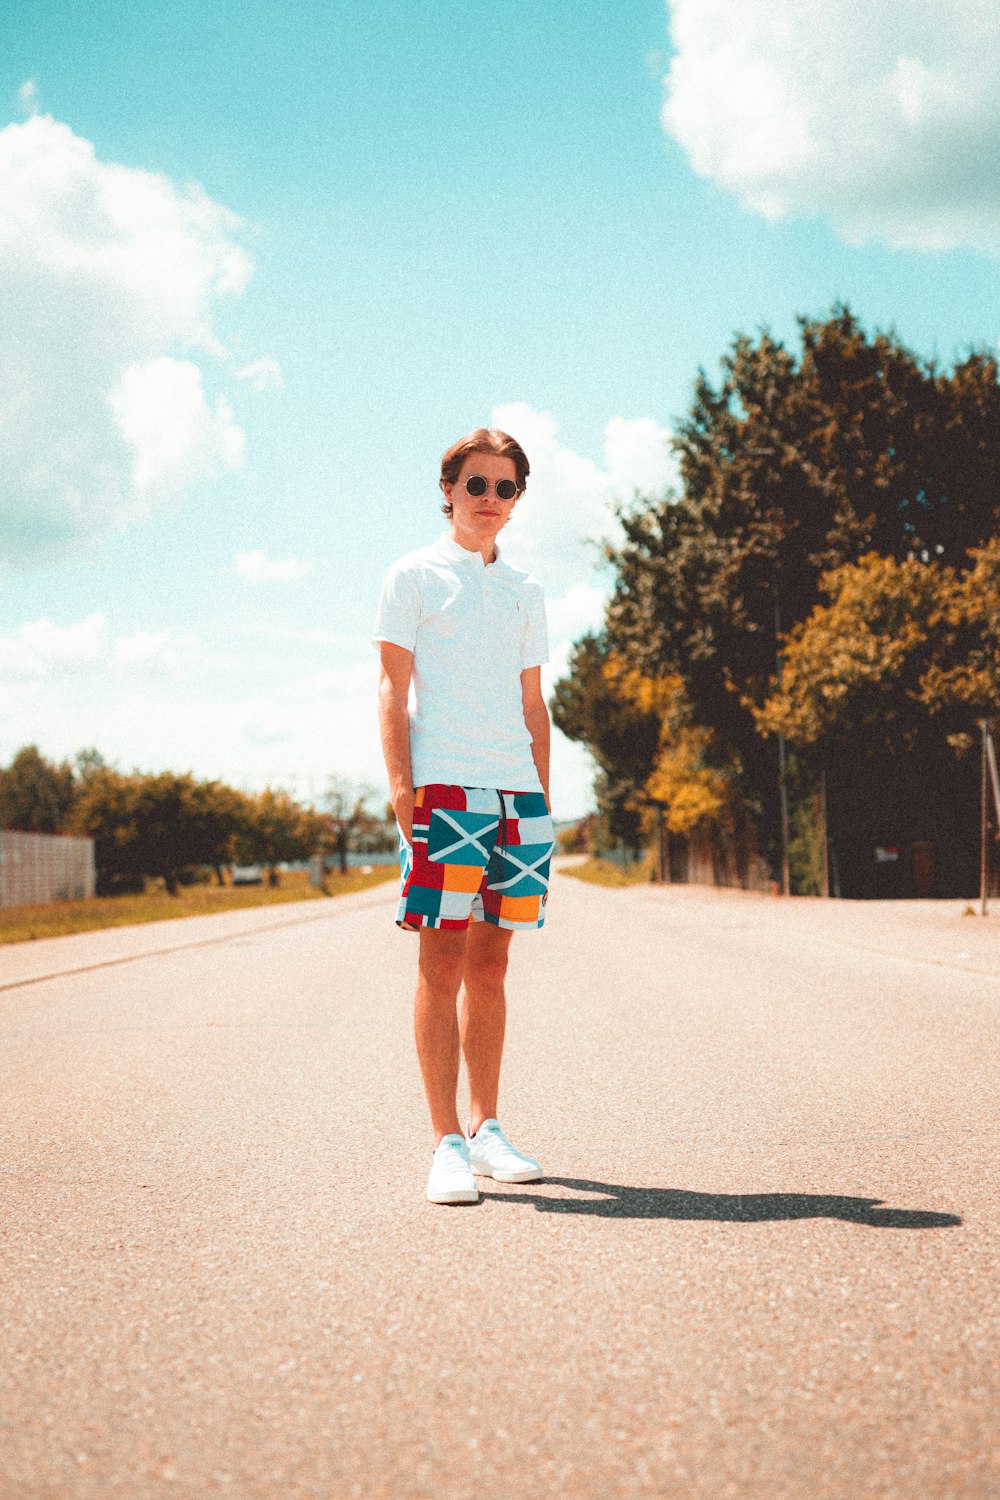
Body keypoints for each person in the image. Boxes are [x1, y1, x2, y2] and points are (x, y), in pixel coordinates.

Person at [373, 427, 554, 1205]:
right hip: (446, 790)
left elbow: (533, 704)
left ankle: (488, 1129)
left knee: (494, 964)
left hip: (517, 795)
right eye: (477, 484)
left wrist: (542, 799)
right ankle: (445, 1142)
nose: (490, 499)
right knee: (440, 964)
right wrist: (402, 787)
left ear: (517, 499)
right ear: (448, 489)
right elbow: (390, 689)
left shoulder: (526, 591)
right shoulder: (413, 575)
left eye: (505, 487)